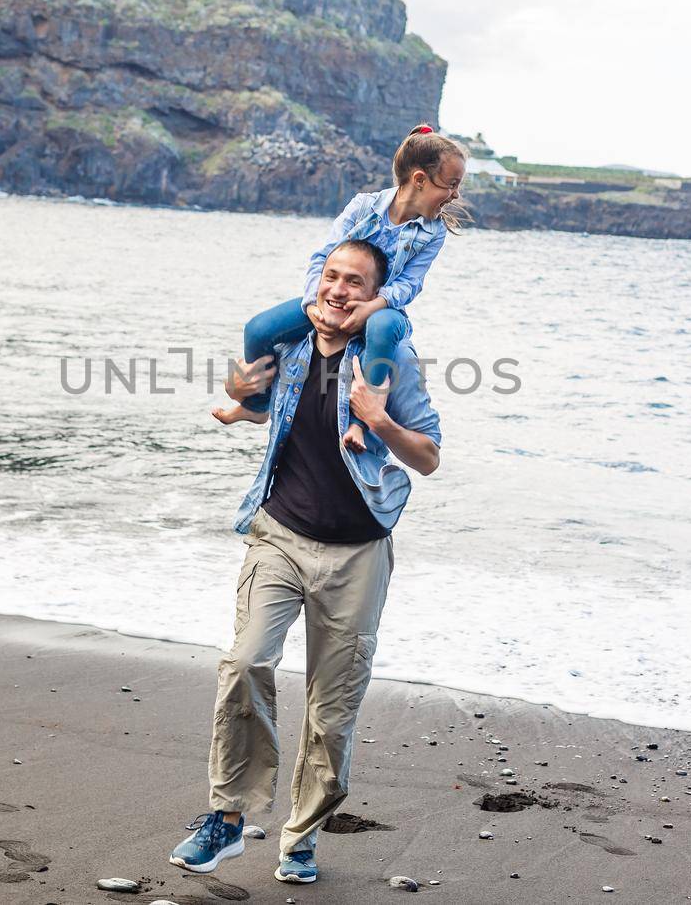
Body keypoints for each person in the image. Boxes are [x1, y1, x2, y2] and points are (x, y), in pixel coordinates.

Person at [170, 238, 444, 886]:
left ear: (374, 295)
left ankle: (301, 834)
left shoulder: (387, 358)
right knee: (245, 660)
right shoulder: (289, 347)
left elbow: (429, 453)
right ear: (316, 282)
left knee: (333, 712)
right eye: (331, 276)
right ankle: (227, 815)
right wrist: (239, 396)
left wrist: (380, 418)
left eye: (355, 282)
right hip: (280, 536)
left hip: (357, 555)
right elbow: (251, 400)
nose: (338, 290)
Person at [211, 124, 468, 454]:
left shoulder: (433, 232)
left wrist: (373, 306)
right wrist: (311, 307)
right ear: (419, 179)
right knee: (258, 329)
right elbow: (323, 256)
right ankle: (256, 405)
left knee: (382, 328)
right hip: (333, 301)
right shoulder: (363, 207)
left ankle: (360, 422)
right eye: (451, 184)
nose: (456, 195)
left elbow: (410, 283)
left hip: (384, 310)